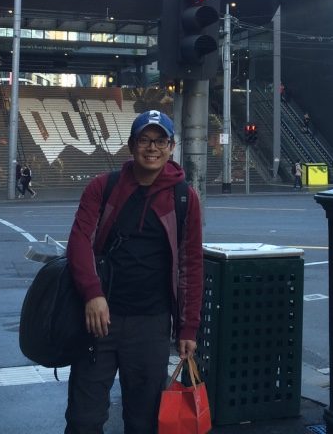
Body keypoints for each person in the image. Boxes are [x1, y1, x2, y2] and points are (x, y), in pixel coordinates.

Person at [64, 110, 203, 434]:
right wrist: (92, 294)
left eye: (160, 141)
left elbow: (191, 265)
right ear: (131, 145)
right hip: (99, 320)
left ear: (171, 147)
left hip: (151, 325)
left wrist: (188, 328)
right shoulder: (104, 187)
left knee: (143, 422)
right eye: (144, 139)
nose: (152, 148)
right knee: (83, 419)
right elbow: (79, 242)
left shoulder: (185, 197)